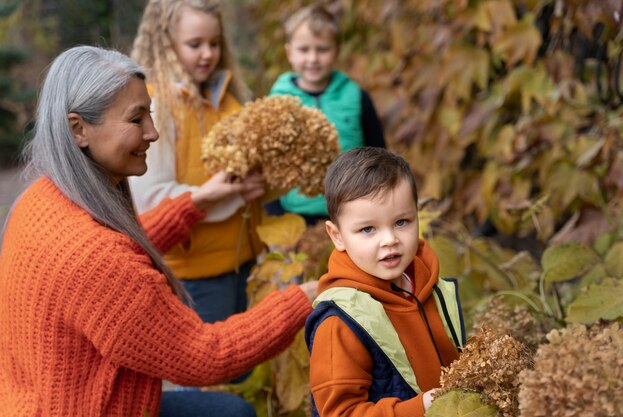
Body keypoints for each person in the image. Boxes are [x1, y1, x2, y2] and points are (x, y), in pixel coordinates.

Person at [0, 45, 316, 417]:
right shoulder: (95, 259)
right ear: (78, 129)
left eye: (149, 114)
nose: (152, 133)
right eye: (136, 120)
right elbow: (206, 356)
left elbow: (119, 250)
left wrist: (197, 202)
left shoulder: (45, 197)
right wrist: (307, 297)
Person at [128, 0, 264, 324]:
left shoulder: (226, 97)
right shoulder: (157, 106)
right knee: (210, 369)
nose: (208, 54)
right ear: (166, 43)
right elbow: (151, 199)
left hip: (244, 257)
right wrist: (230, 194)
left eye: (214, 43)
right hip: (195, 273)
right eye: (195, 44)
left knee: (242, 369)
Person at [304, 147, 466, 417]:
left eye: (402, 222)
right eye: (368, 229)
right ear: (337, 236)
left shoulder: (426, 286)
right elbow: (340, 412)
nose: (390, 239)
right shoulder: (340, 322)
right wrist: (421, 407)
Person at [266, 4, 386, 225]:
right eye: (304, 50)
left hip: (351, 212)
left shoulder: (355, 96)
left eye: (322, 49)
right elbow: (267, 166)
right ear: (289, 52)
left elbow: (378, 154)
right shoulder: (278, 99)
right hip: (295, 216)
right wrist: (275, 216)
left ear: (337, 51)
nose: (313, 58)